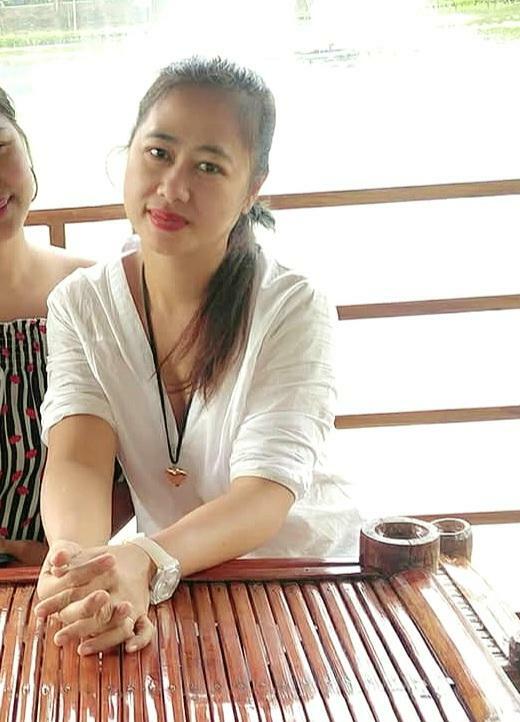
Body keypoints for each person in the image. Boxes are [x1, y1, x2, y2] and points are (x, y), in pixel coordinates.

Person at [35, 57, 360, 655]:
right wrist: (82, 569)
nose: (173, 186)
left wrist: (143, 558)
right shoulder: (81, 304)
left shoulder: (291, 307)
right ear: (129, 151)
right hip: (173, 586)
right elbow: (79, 457)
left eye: (209, 166)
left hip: (301, 580)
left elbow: (264, 494)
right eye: (158, 152)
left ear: (252, 187)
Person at [0, 87, 133, 567]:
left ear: (27, 148)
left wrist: (63, 554)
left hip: (66, 574)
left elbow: (151, 453)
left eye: (0, 148)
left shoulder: (94, 296)